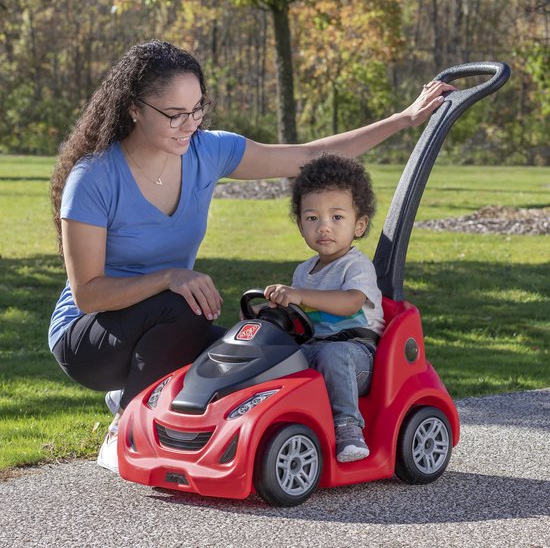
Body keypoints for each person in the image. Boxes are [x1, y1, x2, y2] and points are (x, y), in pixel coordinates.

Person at [47, 39, 454, 473]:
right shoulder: (94, 177)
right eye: (174, 115)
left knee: (257, 351)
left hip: (164, 321)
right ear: (134, 108)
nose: (189, 125)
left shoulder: (207, 151)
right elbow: (88, 294)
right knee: (180, 307)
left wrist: (404, 119)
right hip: (88, 338)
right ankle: (127, 423)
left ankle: (164, 410)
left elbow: (309, 156)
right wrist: (170, 277)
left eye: (198, 109)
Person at [263, 153, 382, 462]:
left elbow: (350, 303)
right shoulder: (303, 271)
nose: (324, 227)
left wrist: (300, 296)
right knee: (273, 358)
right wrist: (272, 316)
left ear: (359, 225)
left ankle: (348, 429)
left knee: (333, 356)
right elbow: (299, 320)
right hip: (313, 347)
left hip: (357, 355)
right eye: (312, 218)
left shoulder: (356, 266)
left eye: (337, 217)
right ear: (301, 225)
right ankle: (278, 425)